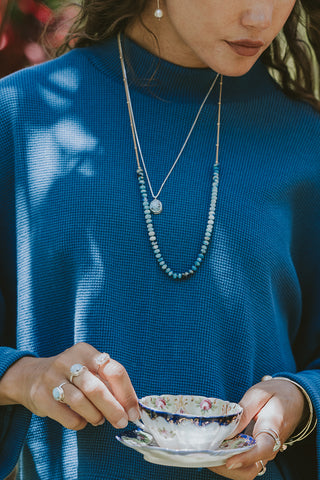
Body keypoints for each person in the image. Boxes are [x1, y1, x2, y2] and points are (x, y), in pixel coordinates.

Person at [0, 0, 319, 479]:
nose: (260, 18)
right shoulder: (19, 116)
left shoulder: (306, 142)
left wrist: (302, 399)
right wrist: (22, 375)